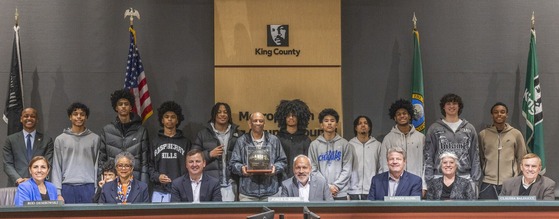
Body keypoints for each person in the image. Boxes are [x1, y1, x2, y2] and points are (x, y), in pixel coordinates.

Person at [424, 93, 480, 194]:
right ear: (443, 107)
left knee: (465, 210)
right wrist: (429, 179)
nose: (451, 106)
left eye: (454, 103)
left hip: (465, 177)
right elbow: (428, 156)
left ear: (459, 107)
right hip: (439, 177)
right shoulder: (434, 129)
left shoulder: (469, 129)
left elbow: (475, 155)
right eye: (448, 103)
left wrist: (474, 179)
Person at [229, 112, 287, 201]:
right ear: (250, 123)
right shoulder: (241, 141)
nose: (258, 123)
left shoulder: (274, 140)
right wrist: (242, 169)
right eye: (255, 121)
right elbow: (233, 164)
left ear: (264, 123)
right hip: (247, 193)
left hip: (270, 192)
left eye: (261, 121)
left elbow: (283, 161)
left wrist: (275, 168)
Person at [192, 102, 243, 201]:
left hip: (232, 183)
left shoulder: (238, 134)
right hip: (210, 183)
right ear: (214, 114)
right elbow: (193, 157)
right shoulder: (203, 134)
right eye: (219, 112)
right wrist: (209, 154)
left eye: (225, 112)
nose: (222, 114)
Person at [52, 102, 100, 203]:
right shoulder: (60, 139)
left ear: (86, 117)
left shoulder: (95, 138)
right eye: (75, 114)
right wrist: (58, 192)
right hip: (67, 187)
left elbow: (97, 165)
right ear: (70, 117)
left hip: (89, 186)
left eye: (82, 114)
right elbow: (56, 166)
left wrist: (97, 188)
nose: (79, 117)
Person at [99, 88, 149, 183]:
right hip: (112, 182)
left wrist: (143, 186)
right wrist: (102, 182)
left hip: (135, 181)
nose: (123, 106)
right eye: (120, 104)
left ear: (131, 107)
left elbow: (145, 162)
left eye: (126, 104)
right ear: (116, 107)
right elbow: (102, 161)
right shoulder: (107, 131)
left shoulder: (141, 131)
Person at [478, 102, 527, 199]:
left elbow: (522, 157)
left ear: (506, 115)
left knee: (510, 213)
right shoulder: (483, 134)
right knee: (486, 212)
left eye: (502, 112)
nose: (499, 114)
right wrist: (486, 170)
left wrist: (515, 175)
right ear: (492, 115)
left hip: (510, 182)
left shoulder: (516, 134)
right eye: (496, 112)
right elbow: (480, 156)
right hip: (488, 183)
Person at [380, 99, 426, 193]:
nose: (402, 116)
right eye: (398, 114)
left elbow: (426, 163)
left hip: (416, 184)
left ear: (409, 116)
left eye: (404, 113)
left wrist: (424, 185)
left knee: (415, 208)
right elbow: (384, 164)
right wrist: (386, 185)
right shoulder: (388, 138)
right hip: (395, 185)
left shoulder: (421, 138)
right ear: (395, 118)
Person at [149, 101, 191, 202]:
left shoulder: (185, 142)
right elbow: (149, 166)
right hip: (159, 190)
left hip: (181, 189)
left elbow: (191, 165)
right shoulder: (154, 142)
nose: (169, 119)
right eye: (166, 116)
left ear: (177, 120)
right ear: (162, 120)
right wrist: (157, 177)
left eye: (173, 117)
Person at [308, 108, 353, 200]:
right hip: (320, 191)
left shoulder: (345, 144)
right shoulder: (314, 145)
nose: (329, 123)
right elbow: (313, 169)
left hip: (340, 192)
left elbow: (347, 169)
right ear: (321, 125)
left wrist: (336, 186)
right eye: (326, 121)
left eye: (332, 121)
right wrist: (327, 186)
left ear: (336, 124)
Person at [3, 108, 54, 187]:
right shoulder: (10, 140)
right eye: (26, 116)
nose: (29, 118)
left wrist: (33, 180)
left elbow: (48, 164)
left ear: (37, 120)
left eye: (32, 116)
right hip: (17, 185)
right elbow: (7, 164)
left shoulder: (47, 140)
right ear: (21, 119)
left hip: (39, 185)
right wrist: (19, 179)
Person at [273, 99, 312, 180]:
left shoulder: (305, 140)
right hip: (280, 181)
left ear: (299, 117)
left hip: (301, 181)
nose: (291, 118)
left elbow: (308, 163)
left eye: (294, 115)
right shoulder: (277, 139)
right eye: (288, 115)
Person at [348, 115, 381, 200]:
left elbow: (381, 167)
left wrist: (378, 185)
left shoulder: (377, 145)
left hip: (372, 190)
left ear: (369, 127)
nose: (363, 125)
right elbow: (346, 168)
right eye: (360, 123)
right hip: (353, 191)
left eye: (365, 123)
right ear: (356, 128)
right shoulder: (349, 145)